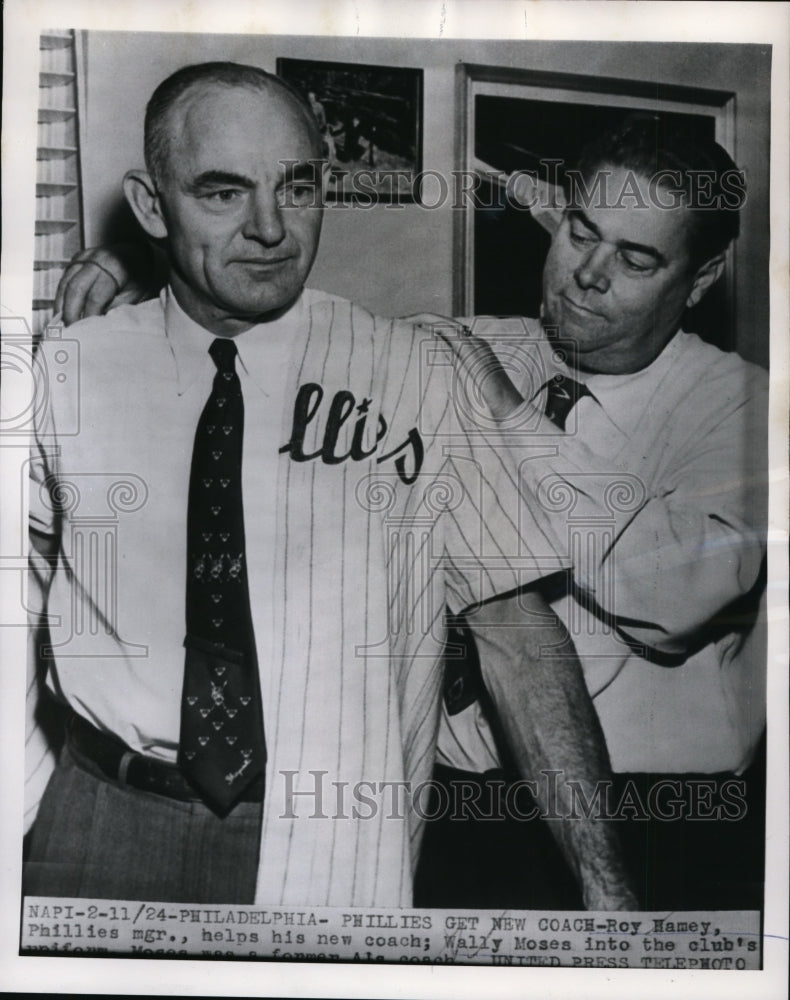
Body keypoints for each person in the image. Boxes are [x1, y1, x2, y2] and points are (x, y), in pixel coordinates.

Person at [26, 61, 637, 909]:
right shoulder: (68, 370)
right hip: (97, 819)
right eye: (222, 192)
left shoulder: (418, 373)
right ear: (150, 204)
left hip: (325, 836)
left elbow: (517, 639)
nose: (270, 228)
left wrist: (609, 893)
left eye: (297, 186)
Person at [415, 118, 768, 910]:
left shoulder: (746, 408)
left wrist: (512, 420)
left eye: (635, 259)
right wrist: (146, 291)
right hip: (458, 813)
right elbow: (303, 360)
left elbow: (671, 598)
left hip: (660, 824)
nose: (587, 275)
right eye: (581, 232)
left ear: (702, 278)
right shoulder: (487, 345)